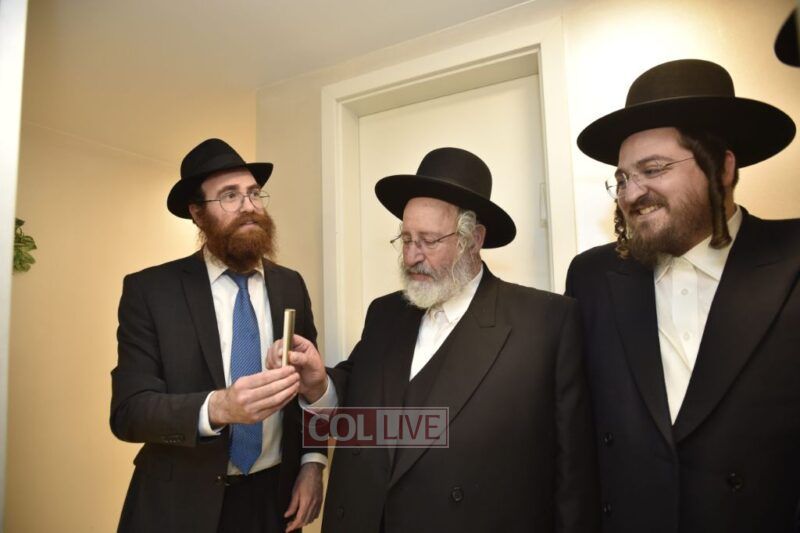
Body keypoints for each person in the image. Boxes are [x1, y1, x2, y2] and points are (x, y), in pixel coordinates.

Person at [269, 147, 600, 532]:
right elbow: (362, 411)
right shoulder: (385, 313)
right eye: (406, 239)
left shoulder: (545, 323)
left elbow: (573, 476)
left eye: (428, 240)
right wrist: (318, 385)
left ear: (473, 240)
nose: (412, 256)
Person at [568, 59, 800, 533]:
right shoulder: (592, 277)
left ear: (723, 168)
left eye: (652, 169)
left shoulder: (793, 258)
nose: (631, 194)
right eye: (622, 179)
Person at [110, 138, 325, 533]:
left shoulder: (290, 284)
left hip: (273, 500)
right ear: (197, 213)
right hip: (180, 505)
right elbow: (129, 413)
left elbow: (309, 388)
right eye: (229, 196)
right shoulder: (151, 291)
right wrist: (218, 408)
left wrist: (313, 463)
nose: (249, 206)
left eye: (254, 193)